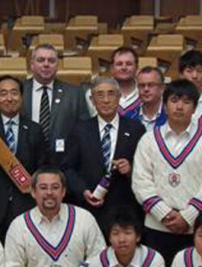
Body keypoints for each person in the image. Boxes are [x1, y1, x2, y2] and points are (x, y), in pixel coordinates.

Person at [132, 79, 202, 267]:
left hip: (195, 228)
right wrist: (164, 214)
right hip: (156, 226)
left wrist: (188, 217)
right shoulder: (149, 140)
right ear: (165, 105)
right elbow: (141, 182)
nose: (179, 106)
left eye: (186, 102)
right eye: (174, 100)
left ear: (195, 107)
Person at [0, 75, 47, 241]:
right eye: (3, 94)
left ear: (21, 97)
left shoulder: (35, 129)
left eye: (14, 93)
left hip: (25, 203)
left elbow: (43, 166)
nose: (9, 98)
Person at [62, 76, 145, 233]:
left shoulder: (136, 129)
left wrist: (130, 170)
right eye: (100, 95)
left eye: (111, 94)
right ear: (92, 100)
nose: (106, 100)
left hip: (125, 209)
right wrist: (83, 191)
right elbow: (68, 168)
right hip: (89, 209)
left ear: (119, 97)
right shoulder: (79, 130)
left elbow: (147, 170)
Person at [21, 43, 90, 165]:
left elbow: (84, 131)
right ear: (32, 65)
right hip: (25, 163)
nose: (46, 64)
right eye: (41, 60)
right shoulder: (19, 91)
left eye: (51, 61)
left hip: (63, 163)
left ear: (57, 66)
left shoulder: (74, 94)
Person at [125, 66, 167, 134]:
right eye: (142, 85)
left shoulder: (171, 116)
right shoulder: (128, 117)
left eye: (151, 85)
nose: (146, 89)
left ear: (162, 88)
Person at [178, 50, 202, 119]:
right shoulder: (172, 102)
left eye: (199, 71)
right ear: (181, 74)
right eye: (189, 71)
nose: (195, 76)